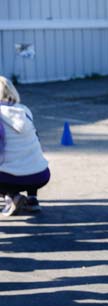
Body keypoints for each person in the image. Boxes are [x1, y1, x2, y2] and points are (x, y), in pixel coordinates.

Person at [0, 76, 50, 217]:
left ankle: (12, 196)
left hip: (11, 177)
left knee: (11, 163)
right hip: (41, 174)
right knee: (27, 154)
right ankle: (32, 199)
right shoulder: (24, 110)